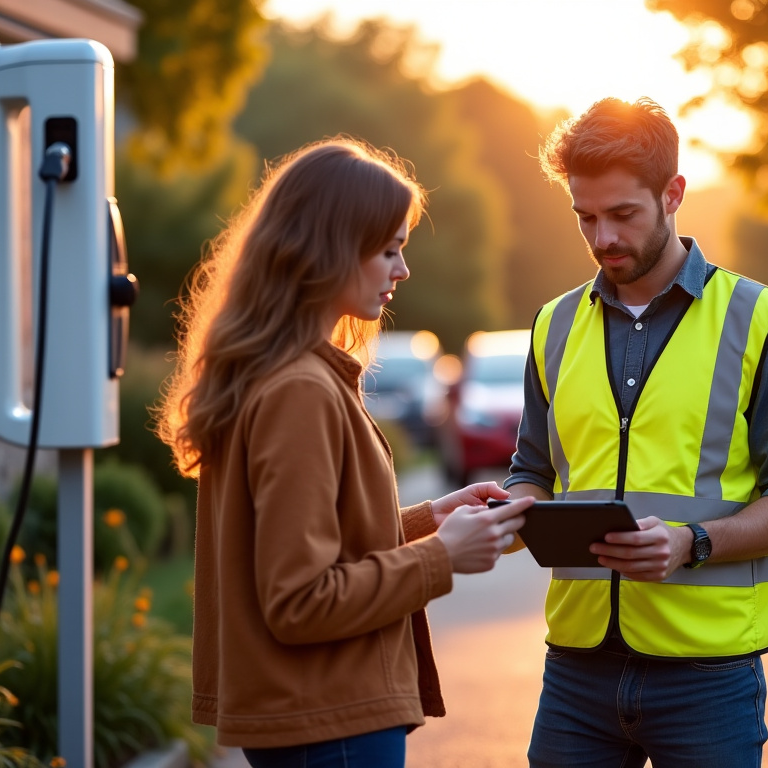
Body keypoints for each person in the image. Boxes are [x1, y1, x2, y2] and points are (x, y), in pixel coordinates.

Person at [156, 138, 532, 768]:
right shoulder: (298, 390)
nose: (402, 271)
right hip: (328, 725)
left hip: (312, 720)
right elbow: (300, 600)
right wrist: (443, 557)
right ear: (328, 251)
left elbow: (305, 544)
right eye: (388, 250)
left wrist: (425, 521)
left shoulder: (275, 375)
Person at [503, 97, 768, 767]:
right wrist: (515, 505)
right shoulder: (553, 327)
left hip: (708, 678)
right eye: (585, 218)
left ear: (674, 193)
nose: (602, 239)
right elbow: (531, 466)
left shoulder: (756, 318)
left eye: (623, 215)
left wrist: (694, 542)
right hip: (576, 671)